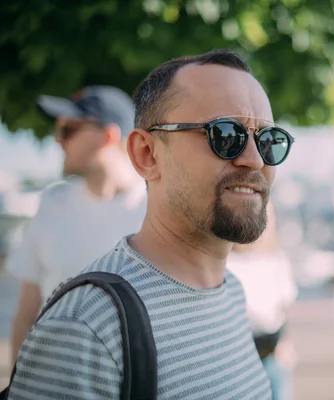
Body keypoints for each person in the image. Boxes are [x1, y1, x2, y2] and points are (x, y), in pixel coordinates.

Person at [6, 50, 295, 399]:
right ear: (147, 154)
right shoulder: (84, 326)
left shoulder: (231, 293)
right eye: (225, 135)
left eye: (268, 140)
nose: (253, 159)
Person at [6, 85, 146, 364]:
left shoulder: (157, 210)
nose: (58, 140)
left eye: (68, 130)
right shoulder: (50, 205)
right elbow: (26, 312)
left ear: (107, 136)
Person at [228, 201, 298, 400]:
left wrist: (286, 342)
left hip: (273, 351)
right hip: (239, 352)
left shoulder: (277, 260)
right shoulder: (226, 262)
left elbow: (285, 308)